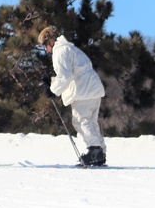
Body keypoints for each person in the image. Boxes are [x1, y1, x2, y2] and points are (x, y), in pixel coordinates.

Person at [38, 27, 107, 166]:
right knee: (91, 122)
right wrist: (51, 82)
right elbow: (72, 73)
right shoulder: (70, 49)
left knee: (81, 120)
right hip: (92, 88)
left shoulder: (60, 51)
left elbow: (65, 76)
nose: (46, 50)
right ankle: (99, 153)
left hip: (83, 90)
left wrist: (52, 90)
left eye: (45, 46)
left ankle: (95, 151)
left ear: (50, 41)